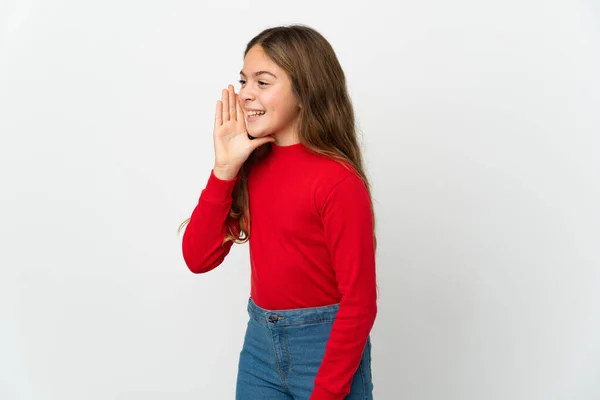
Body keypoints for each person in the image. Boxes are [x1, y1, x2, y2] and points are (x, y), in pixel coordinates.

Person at [179, 24, 378, 400]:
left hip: (324, 351)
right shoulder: (250, 165)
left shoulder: (337, 182)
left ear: (305, 91)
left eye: (263, 82)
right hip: (260, 347)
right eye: (243, 81)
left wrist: (327, 391)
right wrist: (224, 170)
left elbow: (360, 302)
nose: (245, 94)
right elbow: (197, 257)